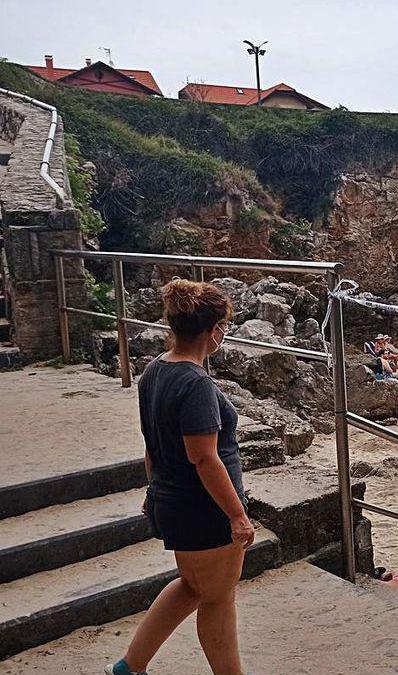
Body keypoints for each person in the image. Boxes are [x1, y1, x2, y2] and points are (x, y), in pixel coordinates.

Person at [106, 279, 253, 675]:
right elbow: (204, 459)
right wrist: (237, 514)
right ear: (212, 331)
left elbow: (151, 445)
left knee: (192, 586)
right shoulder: (196, 383)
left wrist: (153, 490)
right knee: (218, 600)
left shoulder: (154, 371)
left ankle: (128, 666)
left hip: (173, 501)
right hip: (203, 510)